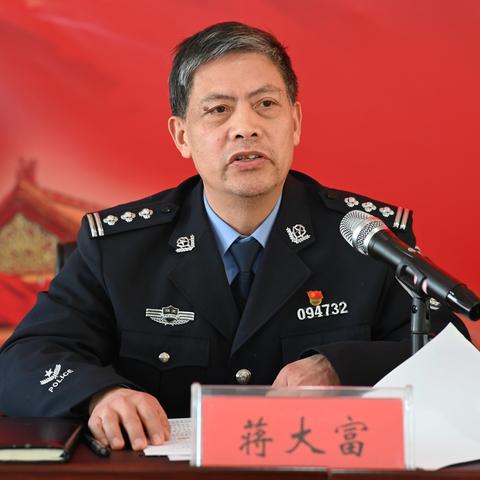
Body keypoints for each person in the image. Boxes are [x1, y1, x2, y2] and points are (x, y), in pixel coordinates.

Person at [0, 22, 467, 452]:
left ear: (295, 122)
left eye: (266, 104)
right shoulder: (120, 249)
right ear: (182, 136)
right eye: (218, 110)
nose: (245, 127)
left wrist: (339, 367)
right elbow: (22, 360)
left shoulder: (365, 238)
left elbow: (452, 356)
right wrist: (99, 394)